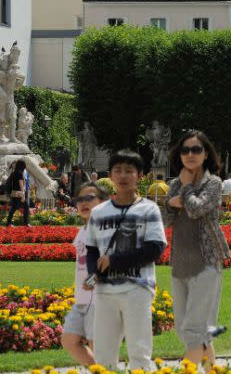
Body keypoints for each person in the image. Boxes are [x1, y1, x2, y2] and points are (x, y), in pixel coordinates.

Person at [85, 150, 167, 370]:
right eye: (118, 171)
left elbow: (155, 248)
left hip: (137, 288)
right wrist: (94, 272)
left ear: (140, 175)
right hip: (105, 292)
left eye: (129, 171)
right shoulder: (99, 212)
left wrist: (115, 261)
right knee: (102, 355)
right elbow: (92, 249)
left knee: (139, 354)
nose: (123, 176)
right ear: (110, 175)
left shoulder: (148, 209)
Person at [165, 130, 231, 367]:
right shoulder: (174, 183)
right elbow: (164, 218)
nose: (190, 154)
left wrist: (185, 189)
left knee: (194, 331)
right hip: (180, 263)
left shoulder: (213, 183)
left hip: (206, 262)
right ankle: (212, 370)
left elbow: (194, 209)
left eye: (196, 150)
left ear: (206, 154)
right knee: (187, 330)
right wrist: (170, 201)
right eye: (185, 150)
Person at [61, 181, 108, 366]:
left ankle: (103, 370)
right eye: (79, 199)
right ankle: (98, 369)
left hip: (99, 298)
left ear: (104, 202)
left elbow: (108, 263)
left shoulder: (106, 230)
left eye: (89, 198)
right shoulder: (82, 231)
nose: (83, 202)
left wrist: (92, 279)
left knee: (97, 344)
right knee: (69, 340)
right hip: (82, 298)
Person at [4, 159, 29, 226]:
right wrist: (23, 195)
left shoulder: (14, 172)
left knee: (13, 208)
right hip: (19, 193)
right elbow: (21, 184)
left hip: (14, 193)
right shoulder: (20, 173)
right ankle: (25, 223)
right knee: (26, 207)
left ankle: (8, 223)